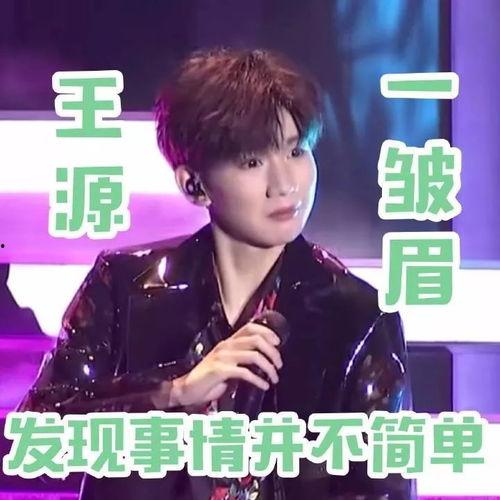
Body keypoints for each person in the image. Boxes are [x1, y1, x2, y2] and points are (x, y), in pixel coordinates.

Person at [17, 47, 414, 499]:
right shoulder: (123, 285)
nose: (285, 184)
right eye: (252, 162)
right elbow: (38, 438)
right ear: (194, 183)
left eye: (296, 150)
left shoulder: (357, 315)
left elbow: (382, 486)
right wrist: (173, 391)